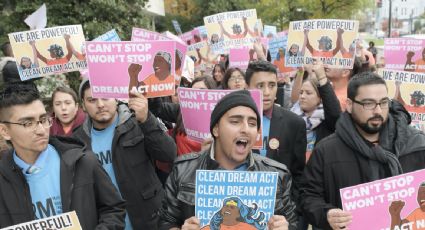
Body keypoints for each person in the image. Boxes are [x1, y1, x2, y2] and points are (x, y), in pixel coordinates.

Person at [300, 72, 425, 229]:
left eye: (383, 103)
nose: (378, 111)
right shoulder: (326, 151)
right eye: (368, 104)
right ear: (350, 105)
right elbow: (308, 195)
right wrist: (326, 214)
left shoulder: (417, 144)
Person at [158, 90, 297, 229]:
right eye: (235, 121)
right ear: (216, 129)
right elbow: (166, 222)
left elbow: (292, 223)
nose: (246, 129)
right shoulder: (183, 170)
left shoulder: (277, 175)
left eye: (252, 123)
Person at [0, 83, 125, 229]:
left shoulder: (82, 161)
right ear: (4, 131)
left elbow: (113, 209)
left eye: (43, 119)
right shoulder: (3, 179)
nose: (41, 130)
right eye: (28, 123)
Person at [72, 79, 177, 229]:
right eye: (92, 100)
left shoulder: (137, 122)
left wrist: (147, 120)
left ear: (115, 98)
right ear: (83, 105)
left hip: (150, 220)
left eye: (105, 97)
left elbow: (169, 154)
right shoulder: (78, 141)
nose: (100, 104)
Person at [245, 61, 306, 212]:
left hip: (280, 211)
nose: (267, 92)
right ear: (247, 88)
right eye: (260, 86)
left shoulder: (294, 123)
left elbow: (298, 173)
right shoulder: (231, 121)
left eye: (272, 85)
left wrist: (291, 208)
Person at [290, 61, 341, 163]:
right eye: (301, 92)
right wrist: (300, 73)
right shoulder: (292, 118)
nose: (302, 96)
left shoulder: (327, 121)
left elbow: (335, 113)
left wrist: (322, 77)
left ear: (320, 98)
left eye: (308, 93)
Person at [201, 197, 266, 230]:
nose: (228, 209)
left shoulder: (249, 228)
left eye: (232, 207)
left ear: (239, 213)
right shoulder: (208, 229)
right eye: (226, 206)